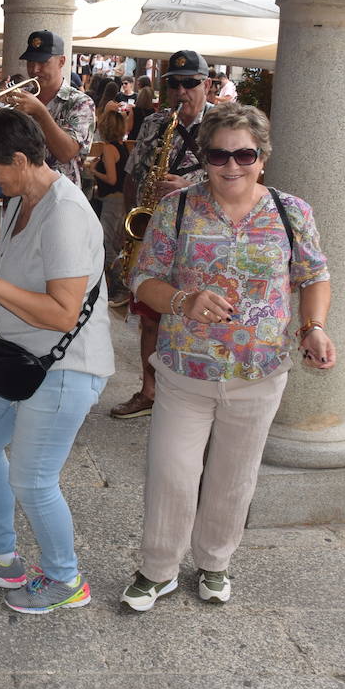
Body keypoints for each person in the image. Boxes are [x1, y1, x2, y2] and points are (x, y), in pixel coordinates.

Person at [121, 103, 333, 611]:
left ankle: (214, 562)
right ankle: (157, 569)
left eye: (245, 154)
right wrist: (183, 301)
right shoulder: (177, 208)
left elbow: (313, 276)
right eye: (219, 154)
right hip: (184, 368)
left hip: (259, 372)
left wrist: (314, 327)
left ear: (263, 157)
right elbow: (141, 278)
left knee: (234, 476)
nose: (231, 165)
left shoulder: (291, 211)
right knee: (172, 470)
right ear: (204, 157)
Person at [0, 107, 113, 612]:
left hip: (62, 367)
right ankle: (0, 555)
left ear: (21, 159)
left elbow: (62, 314)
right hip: (24, 359)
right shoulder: (25, 198)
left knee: (34, 479)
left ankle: (66, 580)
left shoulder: (65, 214)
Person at [112, 49, 213, 421]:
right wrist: (131, 225)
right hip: (156, 231)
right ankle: (149, 390)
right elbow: (134, 174)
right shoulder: (156, 123)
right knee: (151, 316)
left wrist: (189, 183)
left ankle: (192, 396)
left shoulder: (222, 124)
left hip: (202, 234)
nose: (182, 92)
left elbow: (243, 177)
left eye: (190, 84)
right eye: (174, 84)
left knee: (193, 317)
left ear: (207, 84)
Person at [0, 30, 95, 187]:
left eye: (43, 62)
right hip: (20, 192)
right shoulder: (22, 96)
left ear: (62, 62)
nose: (34, 69)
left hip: (59, 195)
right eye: (30, 62)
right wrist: (0, 108)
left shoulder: (81, 102)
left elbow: (66, 153)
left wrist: (40, 113)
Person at [89, 107, 129, 301]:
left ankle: (120, 285)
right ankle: (117, 283)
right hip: (121, 199)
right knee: (113, 241)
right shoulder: (122, 146)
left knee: (106, 244)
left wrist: (94, 170)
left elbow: (111, 179)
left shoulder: (108, 148)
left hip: (113, 200)